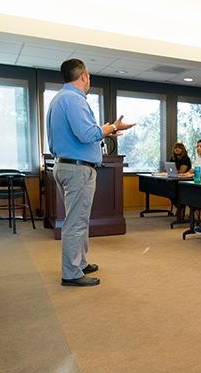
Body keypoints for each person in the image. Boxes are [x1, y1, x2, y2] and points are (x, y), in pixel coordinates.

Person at [47, 58, 135, 287]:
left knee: (79, 219)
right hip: (77, 169)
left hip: (65, 164)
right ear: (84, 77)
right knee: (76, 222)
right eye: (89, 78)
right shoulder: (75, 100)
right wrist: (111, 128)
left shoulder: (58, 99)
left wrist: (103, 130)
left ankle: (80, 262)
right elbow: (86, 135)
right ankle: (72, 273)